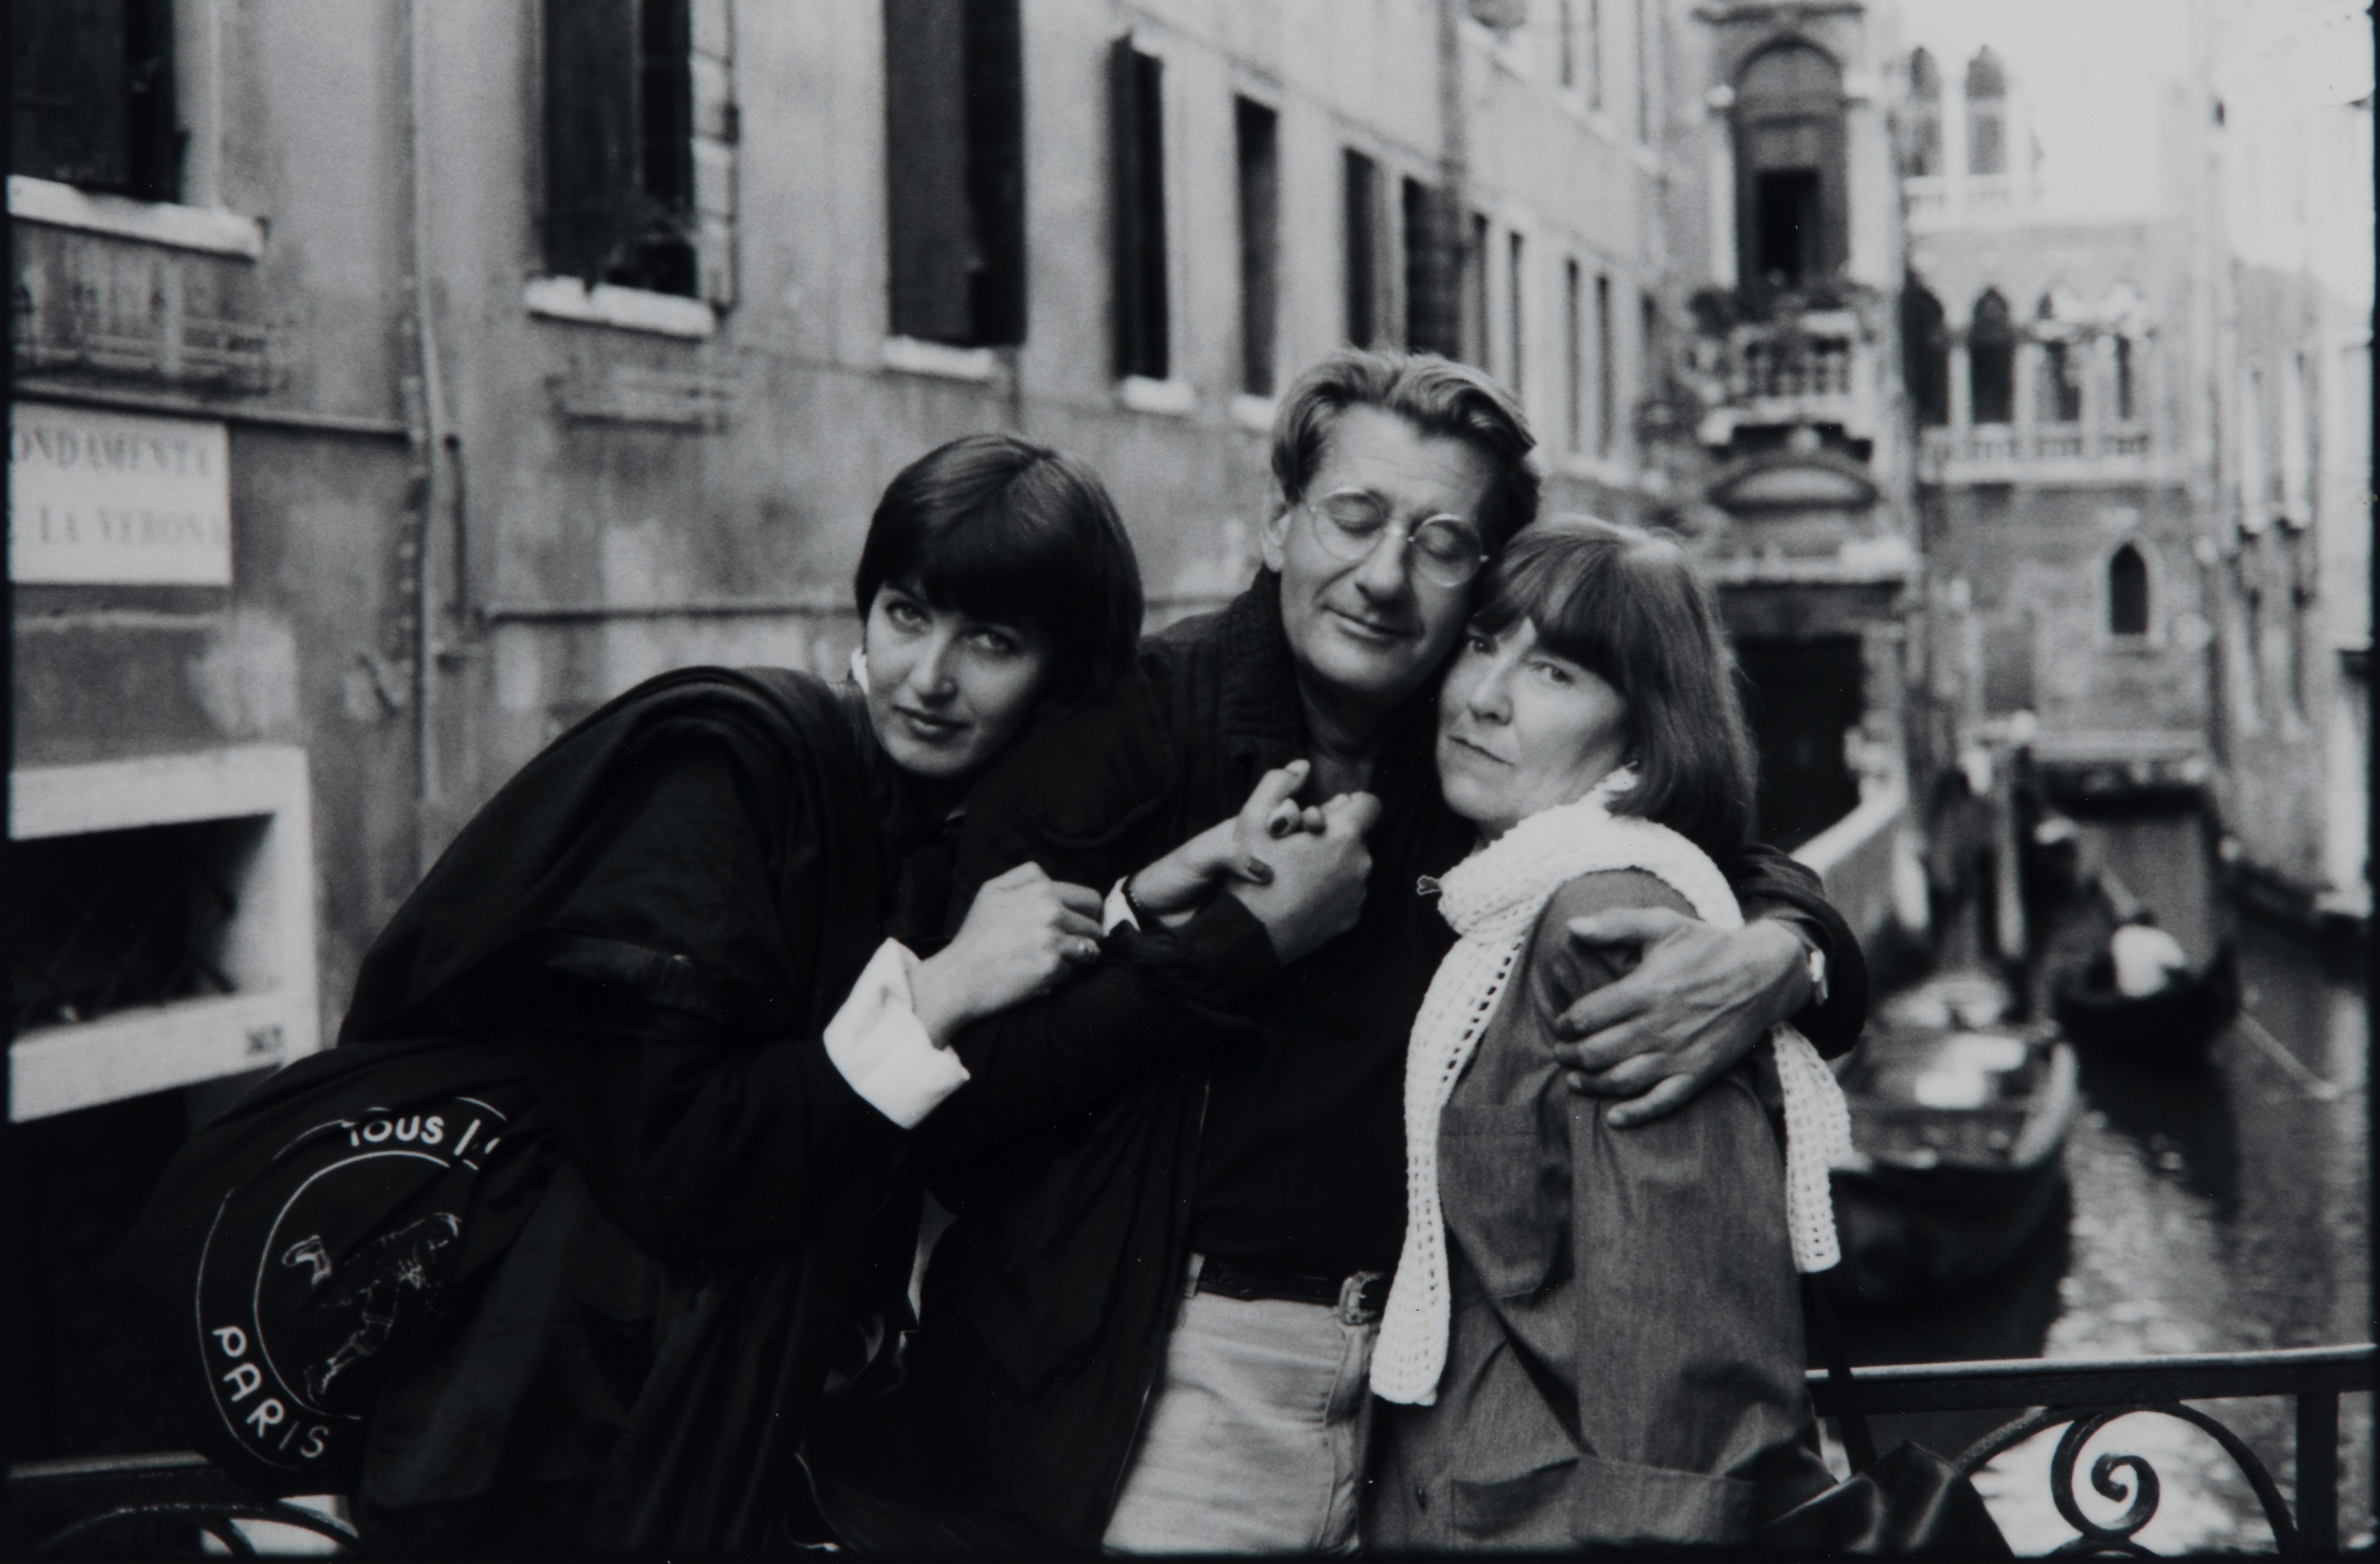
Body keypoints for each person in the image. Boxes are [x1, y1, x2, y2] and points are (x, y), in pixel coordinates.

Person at [127, 433, 1296, 1558]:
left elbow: (945, 1080)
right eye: (904, 613)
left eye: (988, 640)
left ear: (1065, 681)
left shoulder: (919, 841)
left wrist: (1138, 900)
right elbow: (678, 1159)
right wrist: (938, 995)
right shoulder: (732, 776)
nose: (926, 676)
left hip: (663, 1440)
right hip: (529, 1447)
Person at [812, 350, 1868, 1554]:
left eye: (1437, 543)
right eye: (1352, 518)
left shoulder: (1466, 740)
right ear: (1277, 526)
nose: (1379, 577)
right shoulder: (1125, 731)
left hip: (1411, 1423)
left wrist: (1787, 948)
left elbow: (1691, 827)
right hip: (1156, 1396)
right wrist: (1239, 943)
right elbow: (960, 1114)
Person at [1360, 518, 1846, 1552]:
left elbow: (1692, 1373)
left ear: (1648, 727)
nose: (1486, 695)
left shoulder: (1608, 924)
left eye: (1556, 673)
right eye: (1484, 644)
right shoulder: (1496, 897)